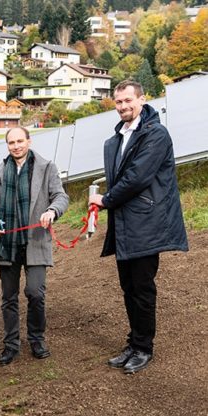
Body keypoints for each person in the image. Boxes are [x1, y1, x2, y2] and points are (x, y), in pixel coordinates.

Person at [89, 80, 188, 374]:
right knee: (128, 287)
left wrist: (105, 199)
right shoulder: (116, 139)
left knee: (143, 288)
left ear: (142, 100)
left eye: (128, 101)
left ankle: (144, 347)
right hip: (124, 225)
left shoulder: (156, 134)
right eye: (118, 102)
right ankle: (133, 342)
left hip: (147, 223)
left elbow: (136, 178)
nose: (123, 107)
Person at [0, 127, 69, 366]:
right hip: (7, 244)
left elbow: (61, 197)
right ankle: (11, 344)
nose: (16, 146)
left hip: (36, 240)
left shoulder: (46, 168)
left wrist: (52, 211)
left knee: (35, 293)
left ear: (28, 141)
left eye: (20, 141)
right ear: (7, 145)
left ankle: (36, 339)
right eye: (11, 142)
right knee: (8, 298)